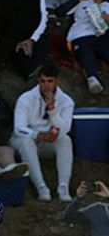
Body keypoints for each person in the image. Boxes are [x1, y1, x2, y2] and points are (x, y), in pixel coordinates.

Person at [13, 64, 74, 202]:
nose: (46, 85)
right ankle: (41, 186)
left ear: (57, 81)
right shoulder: (26, 98)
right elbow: (19, 128)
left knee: (65, 140)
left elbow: (64, 129)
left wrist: (52, 110)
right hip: (25, 141)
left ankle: (63, 186)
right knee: (25, 140)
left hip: (48, 141)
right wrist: (37, 135)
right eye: (43, 81)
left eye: (50, 81)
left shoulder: (66, 101)